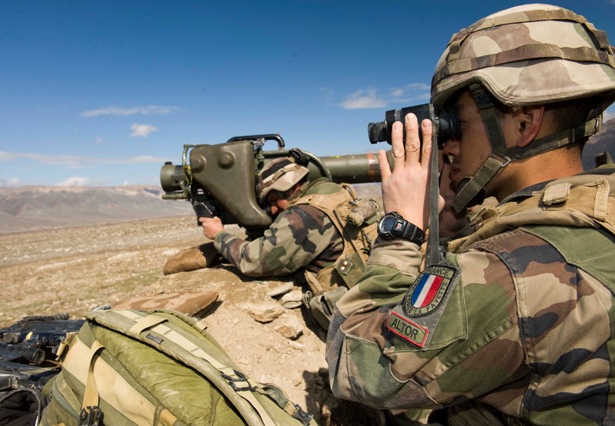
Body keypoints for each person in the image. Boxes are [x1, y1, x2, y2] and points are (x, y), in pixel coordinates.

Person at [326, 4, 615, 424]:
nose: (447, 147)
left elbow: (357, 367)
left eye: (454, 124)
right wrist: (450, 228)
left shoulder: (514, 269)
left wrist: (400, 230)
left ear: (524, 122)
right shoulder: (592, 215)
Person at [200, 156, 379, 329]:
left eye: (273, 200)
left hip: (357, 318)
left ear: (287, 187)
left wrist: (219, 235)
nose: (274, 209)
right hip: (372, 292)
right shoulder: (335, 192)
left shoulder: (303, 215)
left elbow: (255, 261)